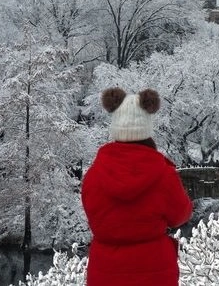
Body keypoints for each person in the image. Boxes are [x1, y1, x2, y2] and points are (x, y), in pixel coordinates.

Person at [81, 88, 193, 286]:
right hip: (154, 270)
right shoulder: (163, 175)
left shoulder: (94, 175)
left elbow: (92, 214)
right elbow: (181, 215)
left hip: (106, 270)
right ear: (147, 130)